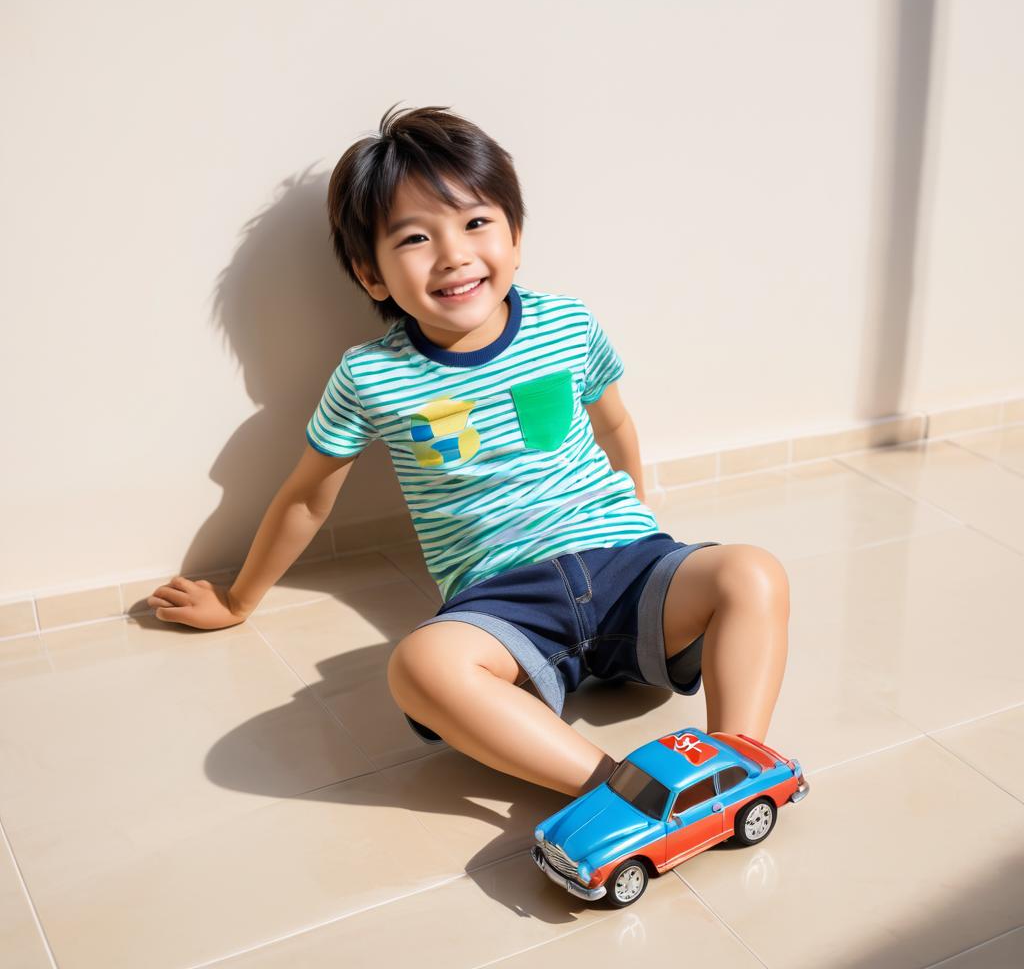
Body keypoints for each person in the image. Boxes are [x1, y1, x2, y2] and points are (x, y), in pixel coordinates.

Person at [147, 103, 790, 798]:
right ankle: (624, 792)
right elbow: (308, 495)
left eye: (477, 223)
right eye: (416, 238)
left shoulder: (568, 324)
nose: (454, 254)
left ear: (515, 237)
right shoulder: (370, 376)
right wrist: (239, 599)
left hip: (628, 563)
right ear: (371, 275)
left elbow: (616, 426)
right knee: (419, 667)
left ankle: (736, 767)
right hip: (502, 603)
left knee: (752, 573)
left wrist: (644, 531)